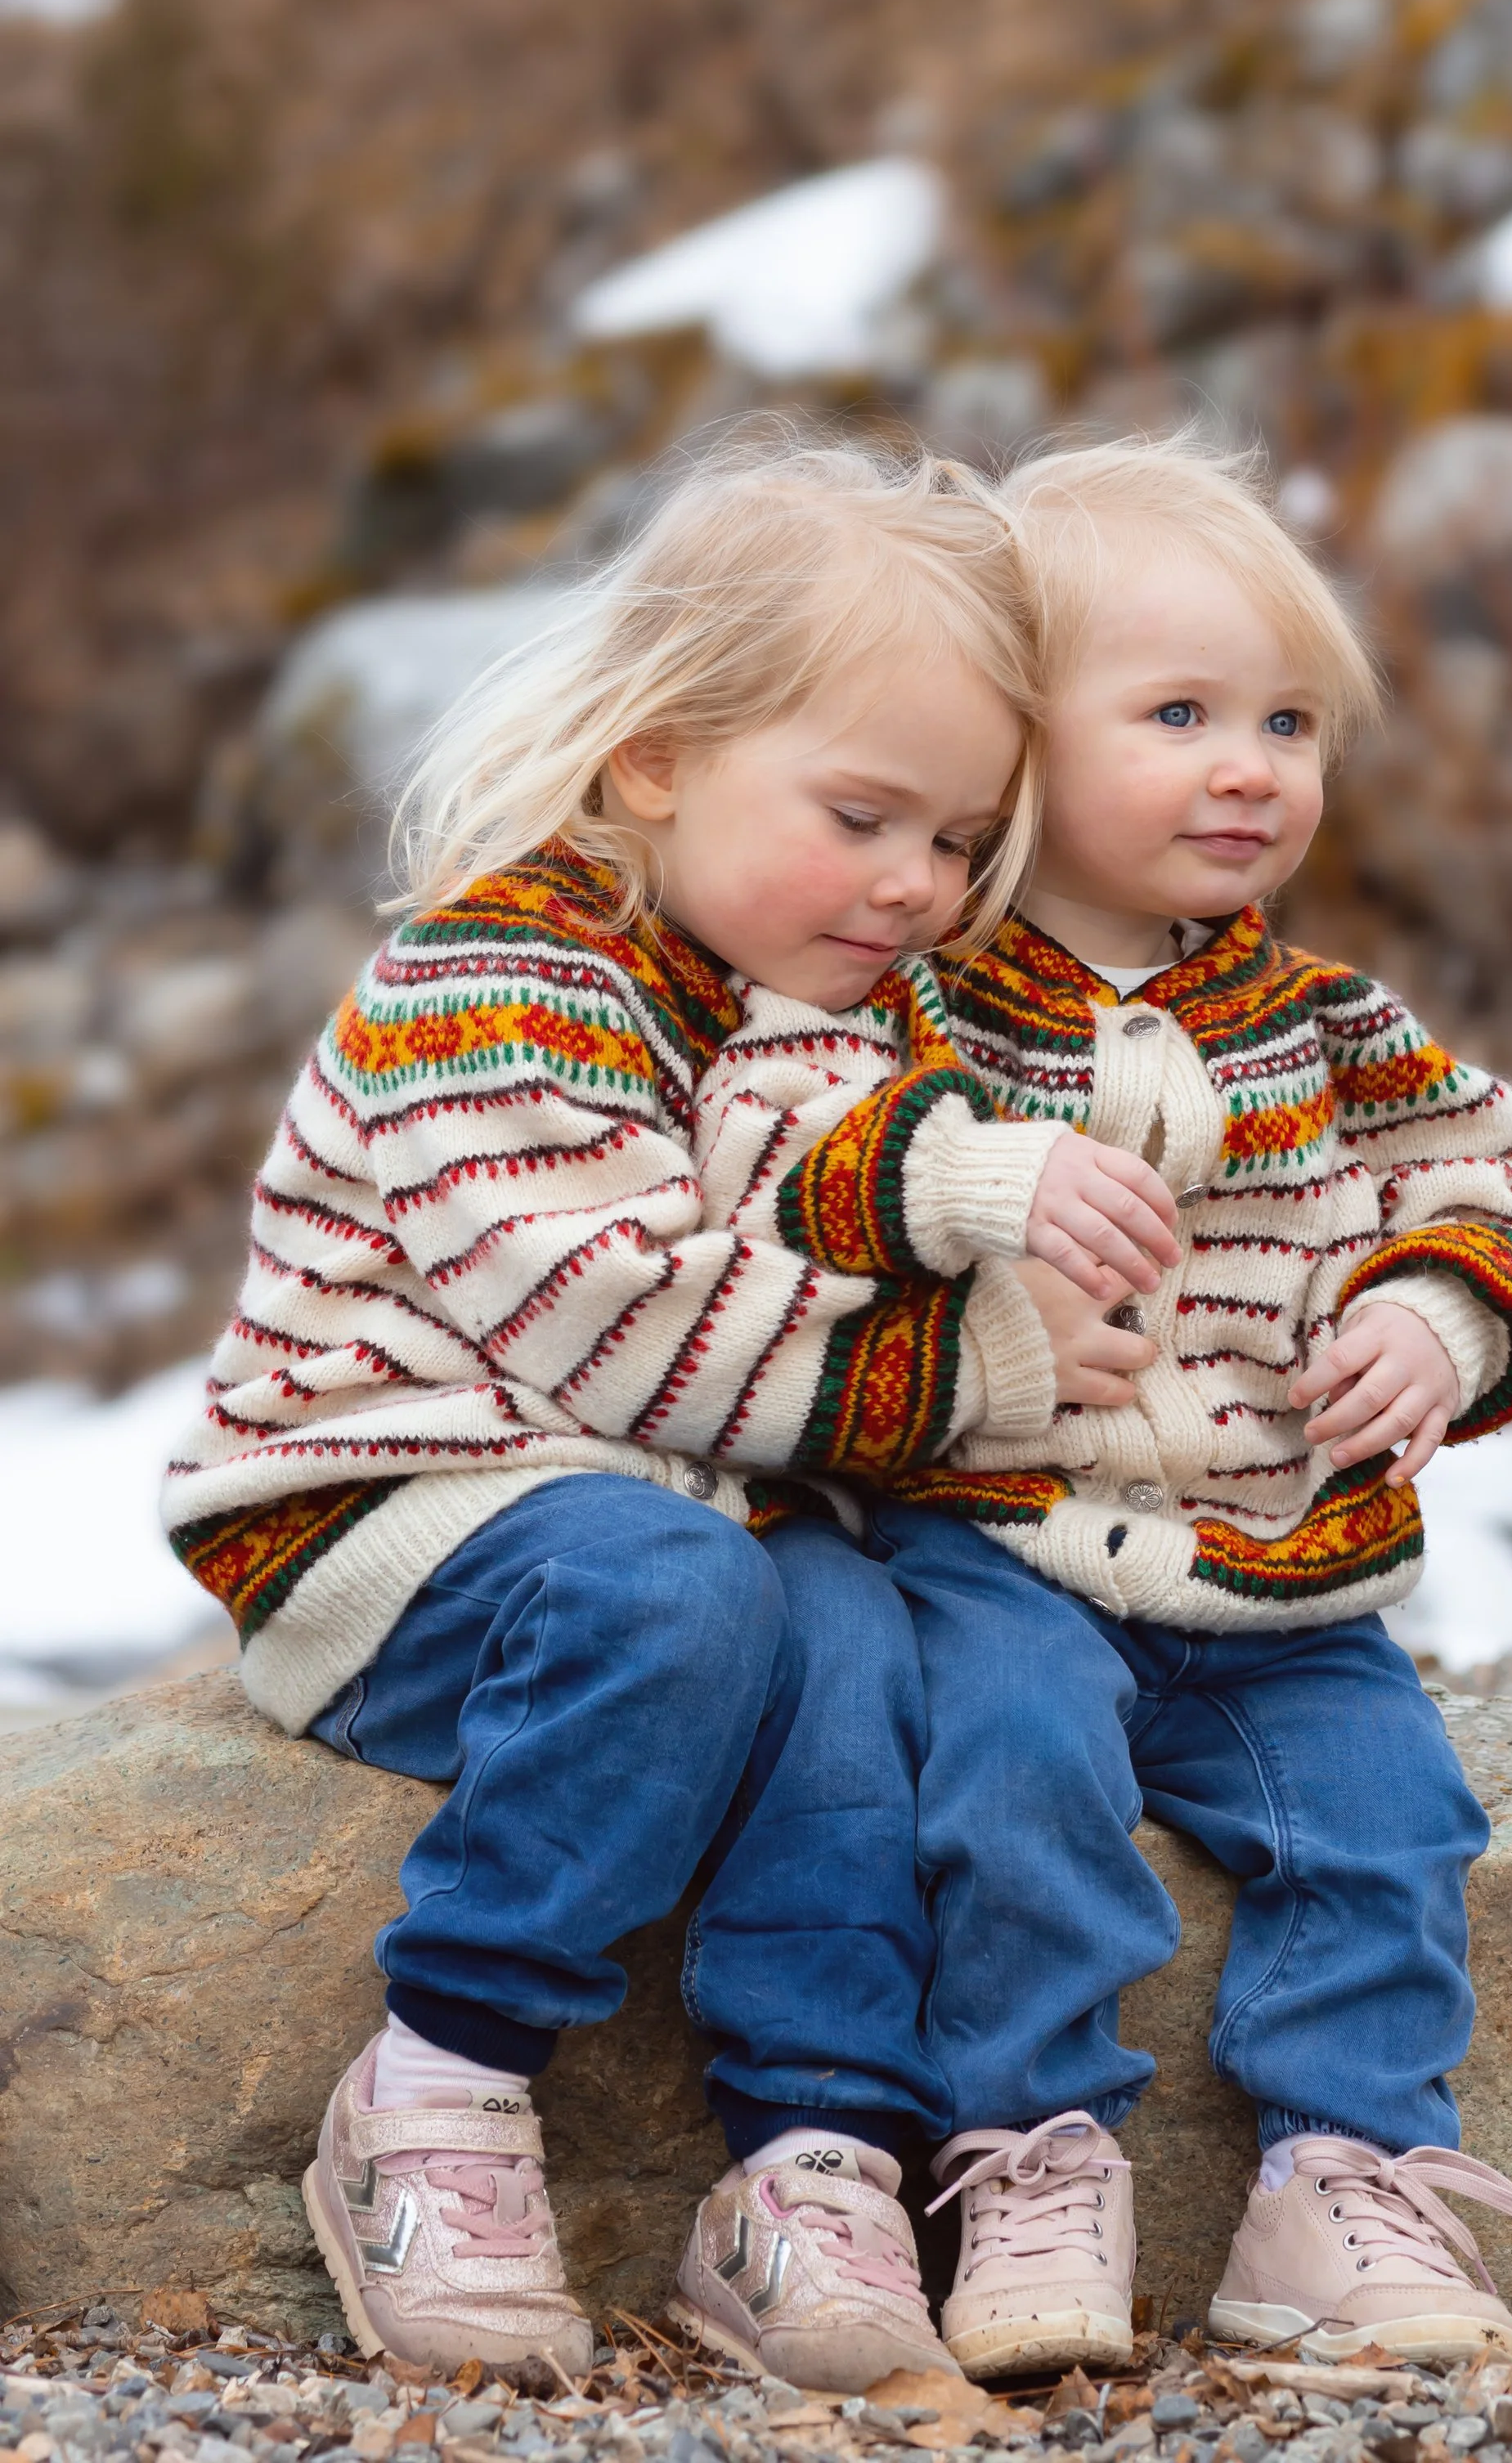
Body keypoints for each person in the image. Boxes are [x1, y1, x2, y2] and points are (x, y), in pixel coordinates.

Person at [162, 430, 1165, 2393]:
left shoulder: (808, 999)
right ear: (658, 761)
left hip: (690, 1503)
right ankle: (439, 2083)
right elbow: (613, 1327)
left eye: (961, 842)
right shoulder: (496, 979)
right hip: (390, 1509)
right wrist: (989, 1375)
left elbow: (861, 1220)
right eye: (865, 815)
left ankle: (806, 2158)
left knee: (851, 1633)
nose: (915, 886)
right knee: (679, 1599)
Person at [743, 434, 1512, 2381]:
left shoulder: (1325, 1018)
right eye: (1181, 713)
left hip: (1278, 1558)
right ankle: (1031, 2150)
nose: (1248, 766)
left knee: (1386, 1817)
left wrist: (1438, 1313)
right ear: (1017, 755)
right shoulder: (911, 1000)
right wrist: (956, 1191)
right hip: (997, 1539)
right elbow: (773, 1139)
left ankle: (1341, 2182)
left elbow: (1501, 1176)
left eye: (1288, 722)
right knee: (1015, 1777)